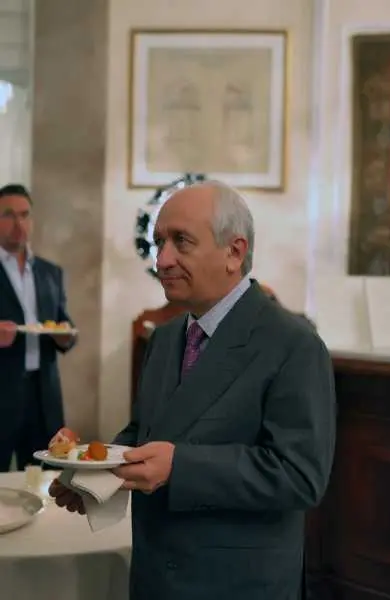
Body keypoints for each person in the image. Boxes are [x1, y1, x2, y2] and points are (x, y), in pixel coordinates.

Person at [50, 181, 336, 600]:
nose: (162, 259)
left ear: (234, 252)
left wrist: (179, 468)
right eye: (159, 242)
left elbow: (301, 475)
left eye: (180, 241)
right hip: (155, 577)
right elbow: (144, 433)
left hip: (236, 585)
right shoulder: (164, 339)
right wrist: (91, 474)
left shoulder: (294, 345)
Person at [0, 183, 76, 472]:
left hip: (43, 394)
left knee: (46, 477)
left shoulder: (50, 272)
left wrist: (66, 337)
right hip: (2, 390)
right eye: (8, 215)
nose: (18, 223)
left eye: (24, 214)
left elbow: (63, 322)